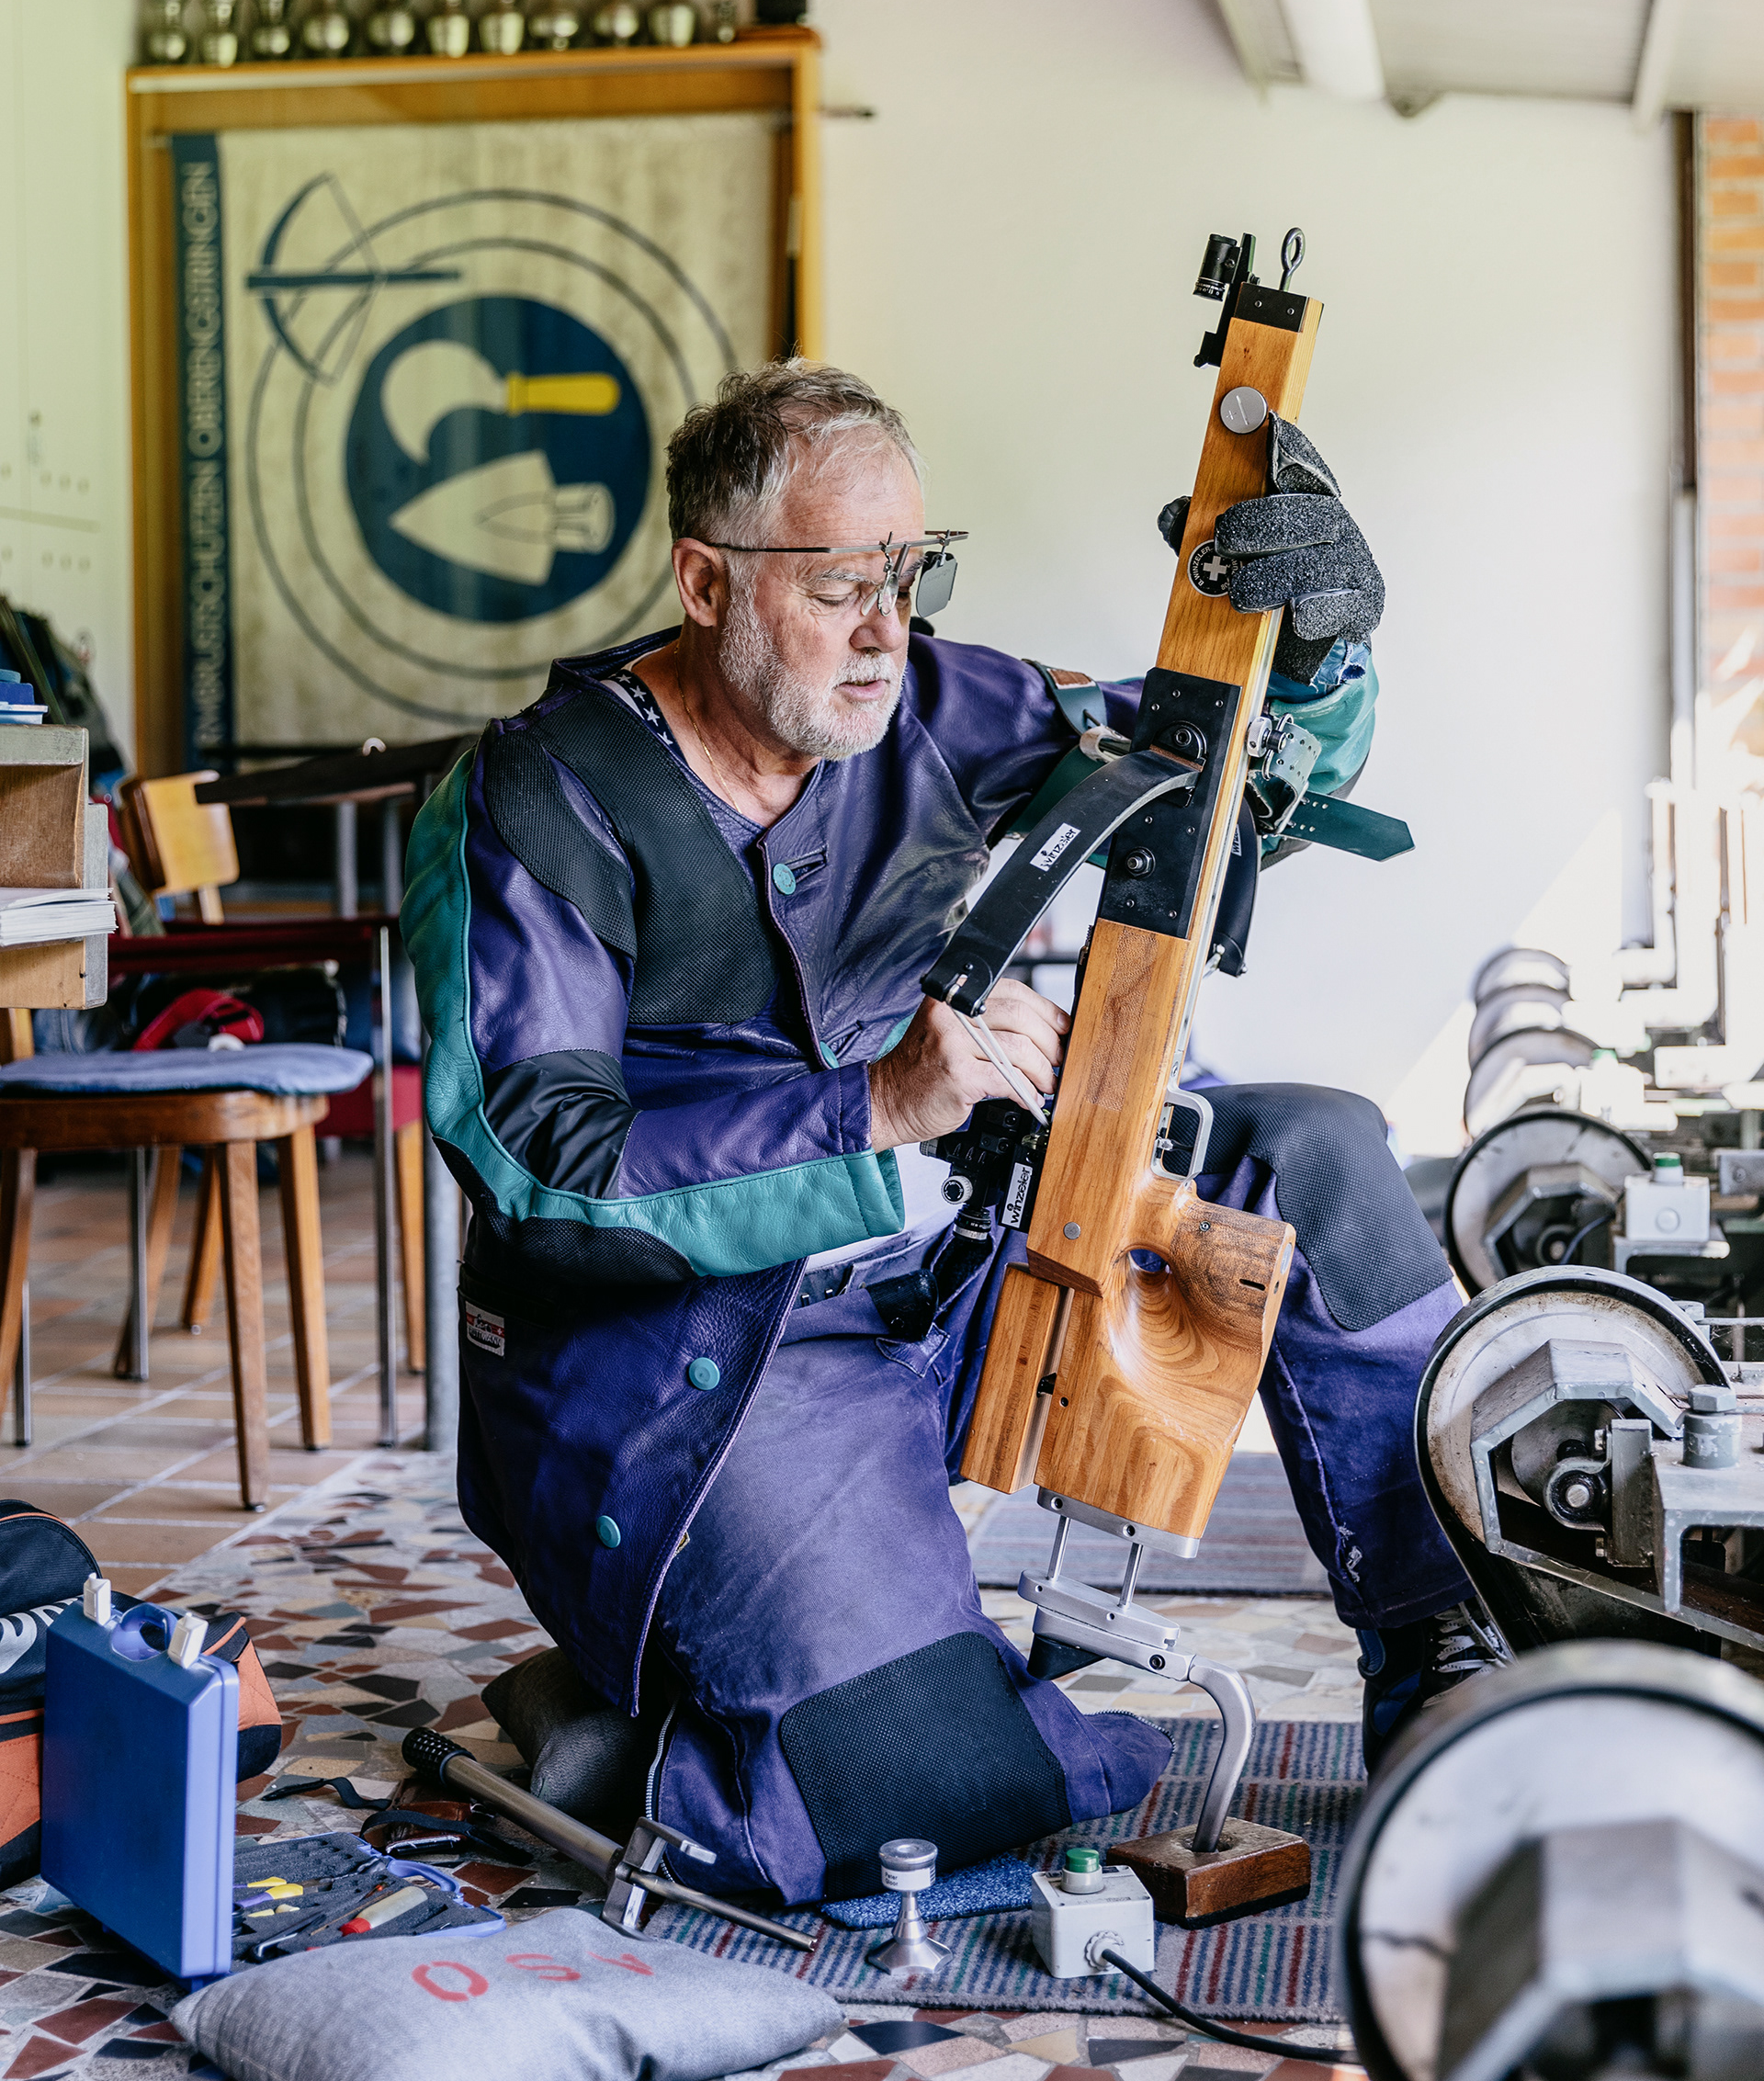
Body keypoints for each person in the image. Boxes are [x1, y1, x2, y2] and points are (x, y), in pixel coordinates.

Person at [402, 359, 1496, 1909]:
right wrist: (874, 1107)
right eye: (842, 583)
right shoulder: (538, 795)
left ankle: (1436, 1641)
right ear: (703, 580)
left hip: (936, 1276)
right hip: (689, 1367)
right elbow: (536, 1169)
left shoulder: (921, 705)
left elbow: (1204, 776)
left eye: (911, 576)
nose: (883, 629)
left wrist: (1320, 662)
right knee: (919, 1804)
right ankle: (635, 1708)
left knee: (1313, 1150)